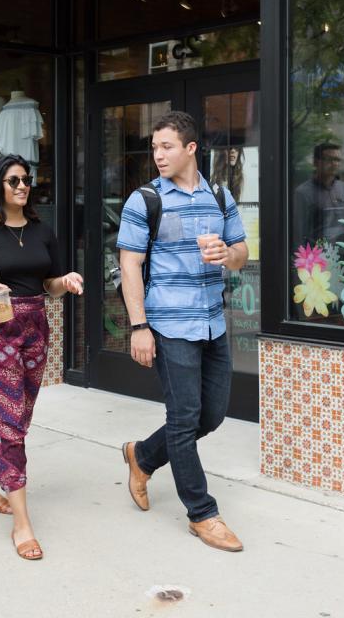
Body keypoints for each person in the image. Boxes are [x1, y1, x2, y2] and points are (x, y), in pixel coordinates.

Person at [117, 110, 249, 552]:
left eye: (167, 146)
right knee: (184, 417)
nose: (158, 155)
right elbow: (129, 265)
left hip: (213, 320)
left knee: (210, 415)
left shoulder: (219, 194)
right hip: (169, 323)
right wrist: (139, 327)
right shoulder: (144, 200)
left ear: (191, 148)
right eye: (155, 147)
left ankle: (143, 455)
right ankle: (202, 513)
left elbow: (242, 251)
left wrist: (227, 255)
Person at [0, 154, 83, 561]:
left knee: (17, 415)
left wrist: (66, 281)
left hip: (35, 327)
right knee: (11, 424)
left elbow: (49, 284)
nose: (23, 186)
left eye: (26, 180)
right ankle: (22, 523)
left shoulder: (42, 230)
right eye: (13, 181)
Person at [291, 143, 344, 250]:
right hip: (317, 258)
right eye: (329, 159)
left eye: (337, 160)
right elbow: (298, 234)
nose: (334, 163)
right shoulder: (303, 192)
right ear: (316, 162)